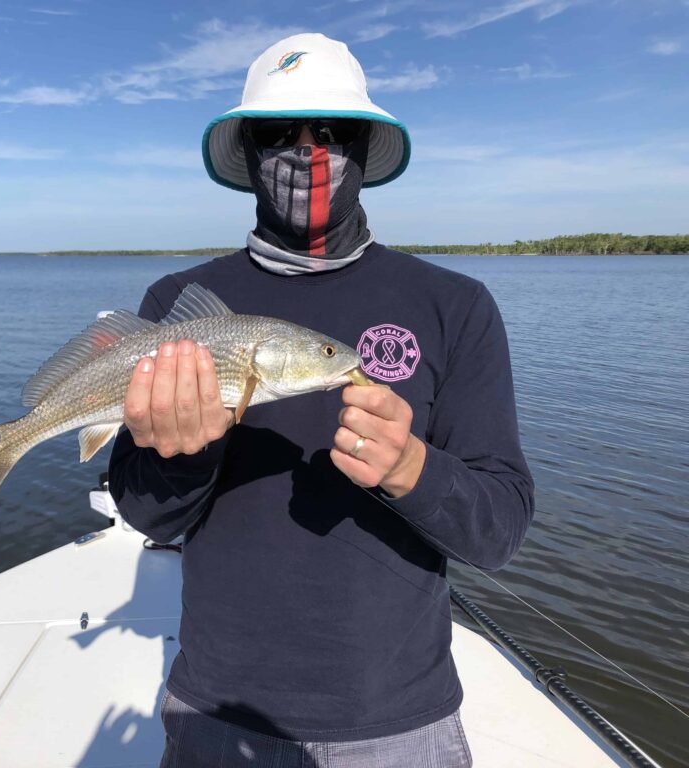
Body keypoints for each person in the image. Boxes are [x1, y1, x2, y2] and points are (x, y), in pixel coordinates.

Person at [107, 32, 533, 768]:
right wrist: (187, 451)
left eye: (333, 132)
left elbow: (499, 532)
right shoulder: (179, 306)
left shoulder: (454, 306)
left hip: (402, 721)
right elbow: (145, 512)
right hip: (214, 708)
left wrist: (411, 469)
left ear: (365, 148)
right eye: (280, 132)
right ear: (249, 152)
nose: (308, 152)